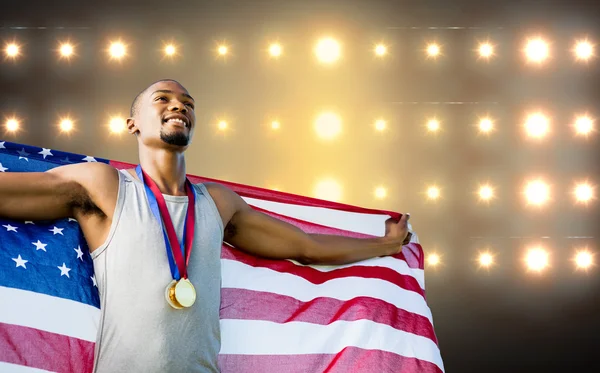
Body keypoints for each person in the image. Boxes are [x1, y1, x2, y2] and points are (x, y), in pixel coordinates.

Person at [0, 79, 410, 372]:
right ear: (133, 123)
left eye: (187, 102)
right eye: (163, 99)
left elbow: (304, 246)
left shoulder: (217, 204)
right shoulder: (104, 186)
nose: (179, 106)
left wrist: (384, 246)